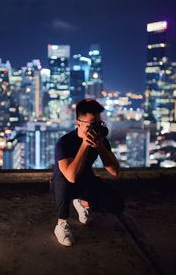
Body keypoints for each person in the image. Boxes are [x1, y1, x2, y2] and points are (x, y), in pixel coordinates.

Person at [53, 98, 124, 246]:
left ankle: (82, 203)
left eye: (99, 124)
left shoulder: (101, 141)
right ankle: (61, 224)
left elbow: (115, 171)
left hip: (86, 181)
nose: (96, 129)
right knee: (62, 177)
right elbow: (71, 177)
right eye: (92, 125)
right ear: (78, 123)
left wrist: (100, 147)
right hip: (64, 186)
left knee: (116, 204)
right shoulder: (64, 143)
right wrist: (85, 145)